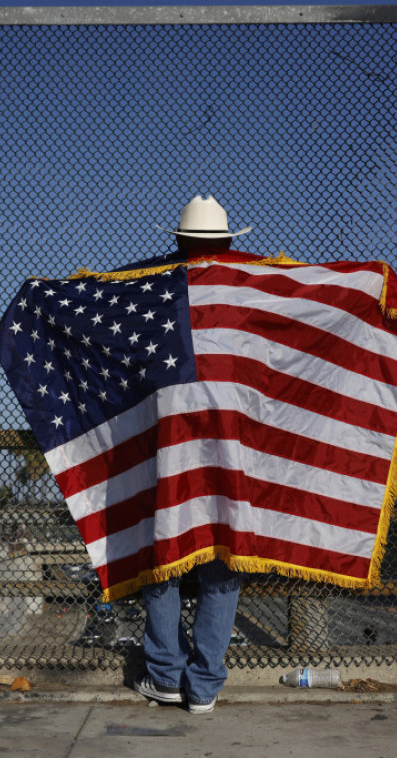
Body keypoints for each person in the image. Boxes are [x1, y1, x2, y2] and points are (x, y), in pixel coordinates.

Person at [130, 195, 250, 715]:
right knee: (224, 554)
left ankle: (166, 675)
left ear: (177, 241)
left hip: (169, 433)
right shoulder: (254, 289)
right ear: (228, 244)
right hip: (231, 435)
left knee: (163, 553)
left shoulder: (152, 286)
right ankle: (203, 685)